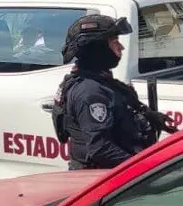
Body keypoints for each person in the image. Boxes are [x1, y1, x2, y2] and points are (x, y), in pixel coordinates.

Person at [52, 14, 176, 170]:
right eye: (114, 41)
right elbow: (100, 149)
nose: (121, 47)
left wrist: (151, 116)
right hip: (103, 180)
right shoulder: (90, 92)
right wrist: (144, 169)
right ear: (98, 48)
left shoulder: (102, 81)